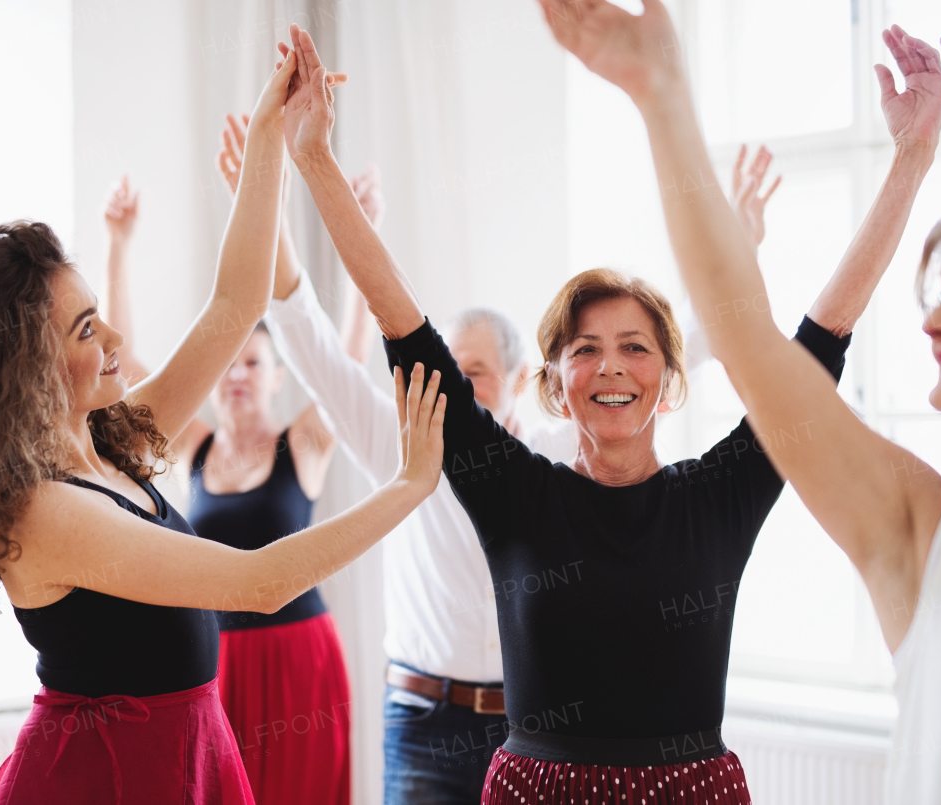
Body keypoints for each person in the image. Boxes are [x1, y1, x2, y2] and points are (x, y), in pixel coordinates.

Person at [274, 20, 941, 803]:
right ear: (556, 383)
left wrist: (911, 160)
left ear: (667, 379)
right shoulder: (517, 494)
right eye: (586, 348)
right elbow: (405, 328)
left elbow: (822, 336)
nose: (612, 365)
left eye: (635, 347)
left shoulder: (719, 496)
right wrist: (313, 159)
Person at [539, 1, 941, 803]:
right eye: (934, 289)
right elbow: (761, 344)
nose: (929, 317)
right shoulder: (931, 529)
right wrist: (661, 94)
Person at [0, 46, 448, 805]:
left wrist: (269, 137)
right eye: (88, 330)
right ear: (27, 369)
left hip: (182, 750)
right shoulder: (43, 510)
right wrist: (410, 483)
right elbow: (261, 582)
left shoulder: (110, 440)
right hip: (109, 778)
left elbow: (235, 303)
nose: (117, 342)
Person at [215, 103, 779, 803]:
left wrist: (742, 247)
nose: (452, 383)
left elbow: (660, 353)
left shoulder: (555, 456)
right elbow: (314, 337)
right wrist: (275, 194)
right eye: (449, 367)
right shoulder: (399, 432)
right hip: (424, 718)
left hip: (534, 732)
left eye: (473, 371)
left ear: (521, 382)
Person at [95, 149, 385, 805]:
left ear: (280, 377)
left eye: (255, 363)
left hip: (298, 659)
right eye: (231, 364)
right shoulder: (193, 447)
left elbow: (350, 351)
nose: (238, 375)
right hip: (216, 660)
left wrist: (365, 226)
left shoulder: (304, 443)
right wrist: (117, 245)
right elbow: (126, 371)